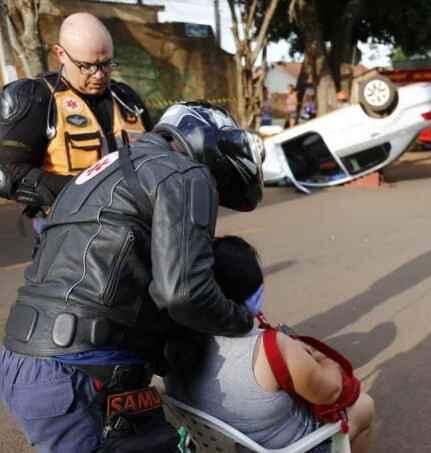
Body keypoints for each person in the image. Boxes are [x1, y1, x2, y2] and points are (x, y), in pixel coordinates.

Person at [0, 102, 264, 452]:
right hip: (80, 369)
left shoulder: (106, 169)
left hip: (29, 360)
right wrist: (243, 321)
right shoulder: (183, 173)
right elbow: (183, 293)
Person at [165, 236, 375, 453]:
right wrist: (322, 358)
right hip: (294, 447)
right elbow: (330, 391)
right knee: (364, 406)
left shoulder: (170, 339)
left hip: (217, 446)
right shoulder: (272, 348)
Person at [0, 13, 151, 235]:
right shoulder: (37, 100)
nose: (99, 75)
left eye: (106, 64)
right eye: (87, 66)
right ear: (61, 54)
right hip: (69, 239)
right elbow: (7, 173)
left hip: (136, 232)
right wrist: (90, 191)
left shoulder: (127, 99)